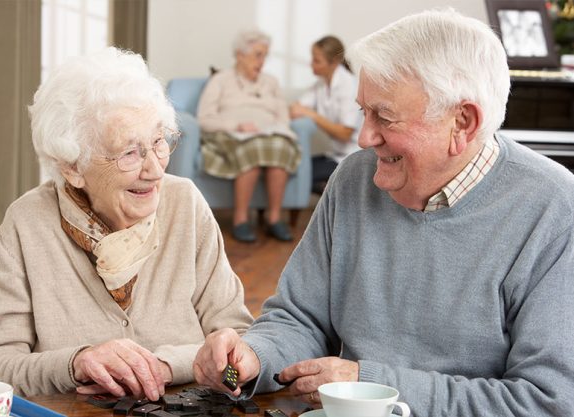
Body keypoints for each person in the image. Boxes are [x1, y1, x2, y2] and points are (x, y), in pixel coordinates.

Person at [193, 9, 574, 417]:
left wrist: (373, 385)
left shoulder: (555, 209)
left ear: (462, 122)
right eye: (364, 112)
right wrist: (254, 356)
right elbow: (300, 318)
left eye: (385, 117)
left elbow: (547, 402)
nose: (363, 137)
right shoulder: (354, 178)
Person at [0, 47, 253, 399]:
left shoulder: (186, 205)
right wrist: (76, 363)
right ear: (72, 166)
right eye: (129, 153)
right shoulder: (26, 225)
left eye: (158, 142)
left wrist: (164, 367)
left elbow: (239, 345)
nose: (155, 169)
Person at [197, 30, 301, 243]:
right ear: (239, 55)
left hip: (268, 133)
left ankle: (274, 219)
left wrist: (274, 128)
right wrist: (237, 125)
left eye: (265, 55)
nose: (262, 61)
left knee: (280, 146)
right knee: (251, 149)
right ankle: (240, 220)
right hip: (232, 133)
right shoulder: (220, 80)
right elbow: (204, 118)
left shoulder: (271, 82)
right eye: (258, 54)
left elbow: (283, 118)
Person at [289, 36, 361, 194]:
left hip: (354, 156)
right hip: (335, 155)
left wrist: (312, 115)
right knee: (292, 167)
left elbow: (344, 133)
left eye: (317, 60)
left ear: (334, 62)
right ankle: (330, 187)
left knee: (300, 176)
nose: (311, 64)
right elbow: (297, 108)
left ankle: (333, 189)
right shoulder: (321, 84)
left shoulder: (349, 85)